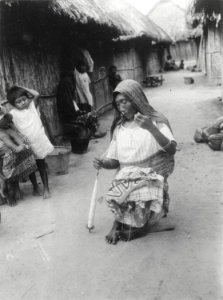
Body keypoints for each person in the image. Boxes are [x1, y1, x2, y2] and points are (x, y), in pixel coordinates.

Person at [93, 79, 176, 244]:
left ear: (136, 99)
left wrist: (151, 128)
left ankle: (140, 227)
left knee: (139, 196)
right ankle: (122, 224)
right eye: (117, 103)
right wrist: (103, 163)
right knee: (120, 191)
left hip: (152, 175)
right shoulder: (119, 128)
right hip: (128, 178)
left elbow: (171, 149)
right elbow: (115, 162)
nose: (120, 106)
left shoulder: (155, 121)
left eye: (124, 101)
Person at [7, 85, 54, 199]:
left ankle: (46, 189)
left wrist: (20, 87)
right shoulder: (12, 114)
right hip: (27, 146)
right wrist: (19, 136)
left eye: (24, 99)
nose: (23, 102)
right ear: (13, 104)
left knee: (42, 166)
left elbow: (36, 94)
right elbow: (10, 126)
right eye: (19, 101)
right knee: (30, 168)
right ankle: (35, 187)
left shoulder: (32, 107)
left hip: (39, 143)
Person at [0, 110, 37, 206]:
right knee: (8, 178)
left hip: (8, 155)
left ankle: (10, 196)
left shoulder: (8, 128)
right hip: (7, 155)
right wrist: (22, 146)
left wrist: (22, 143)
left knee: (9, 177)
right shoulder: (3, 133)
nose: (8, 123)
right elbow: (16, 148)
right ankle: (9, 197)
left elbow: (18, 140)